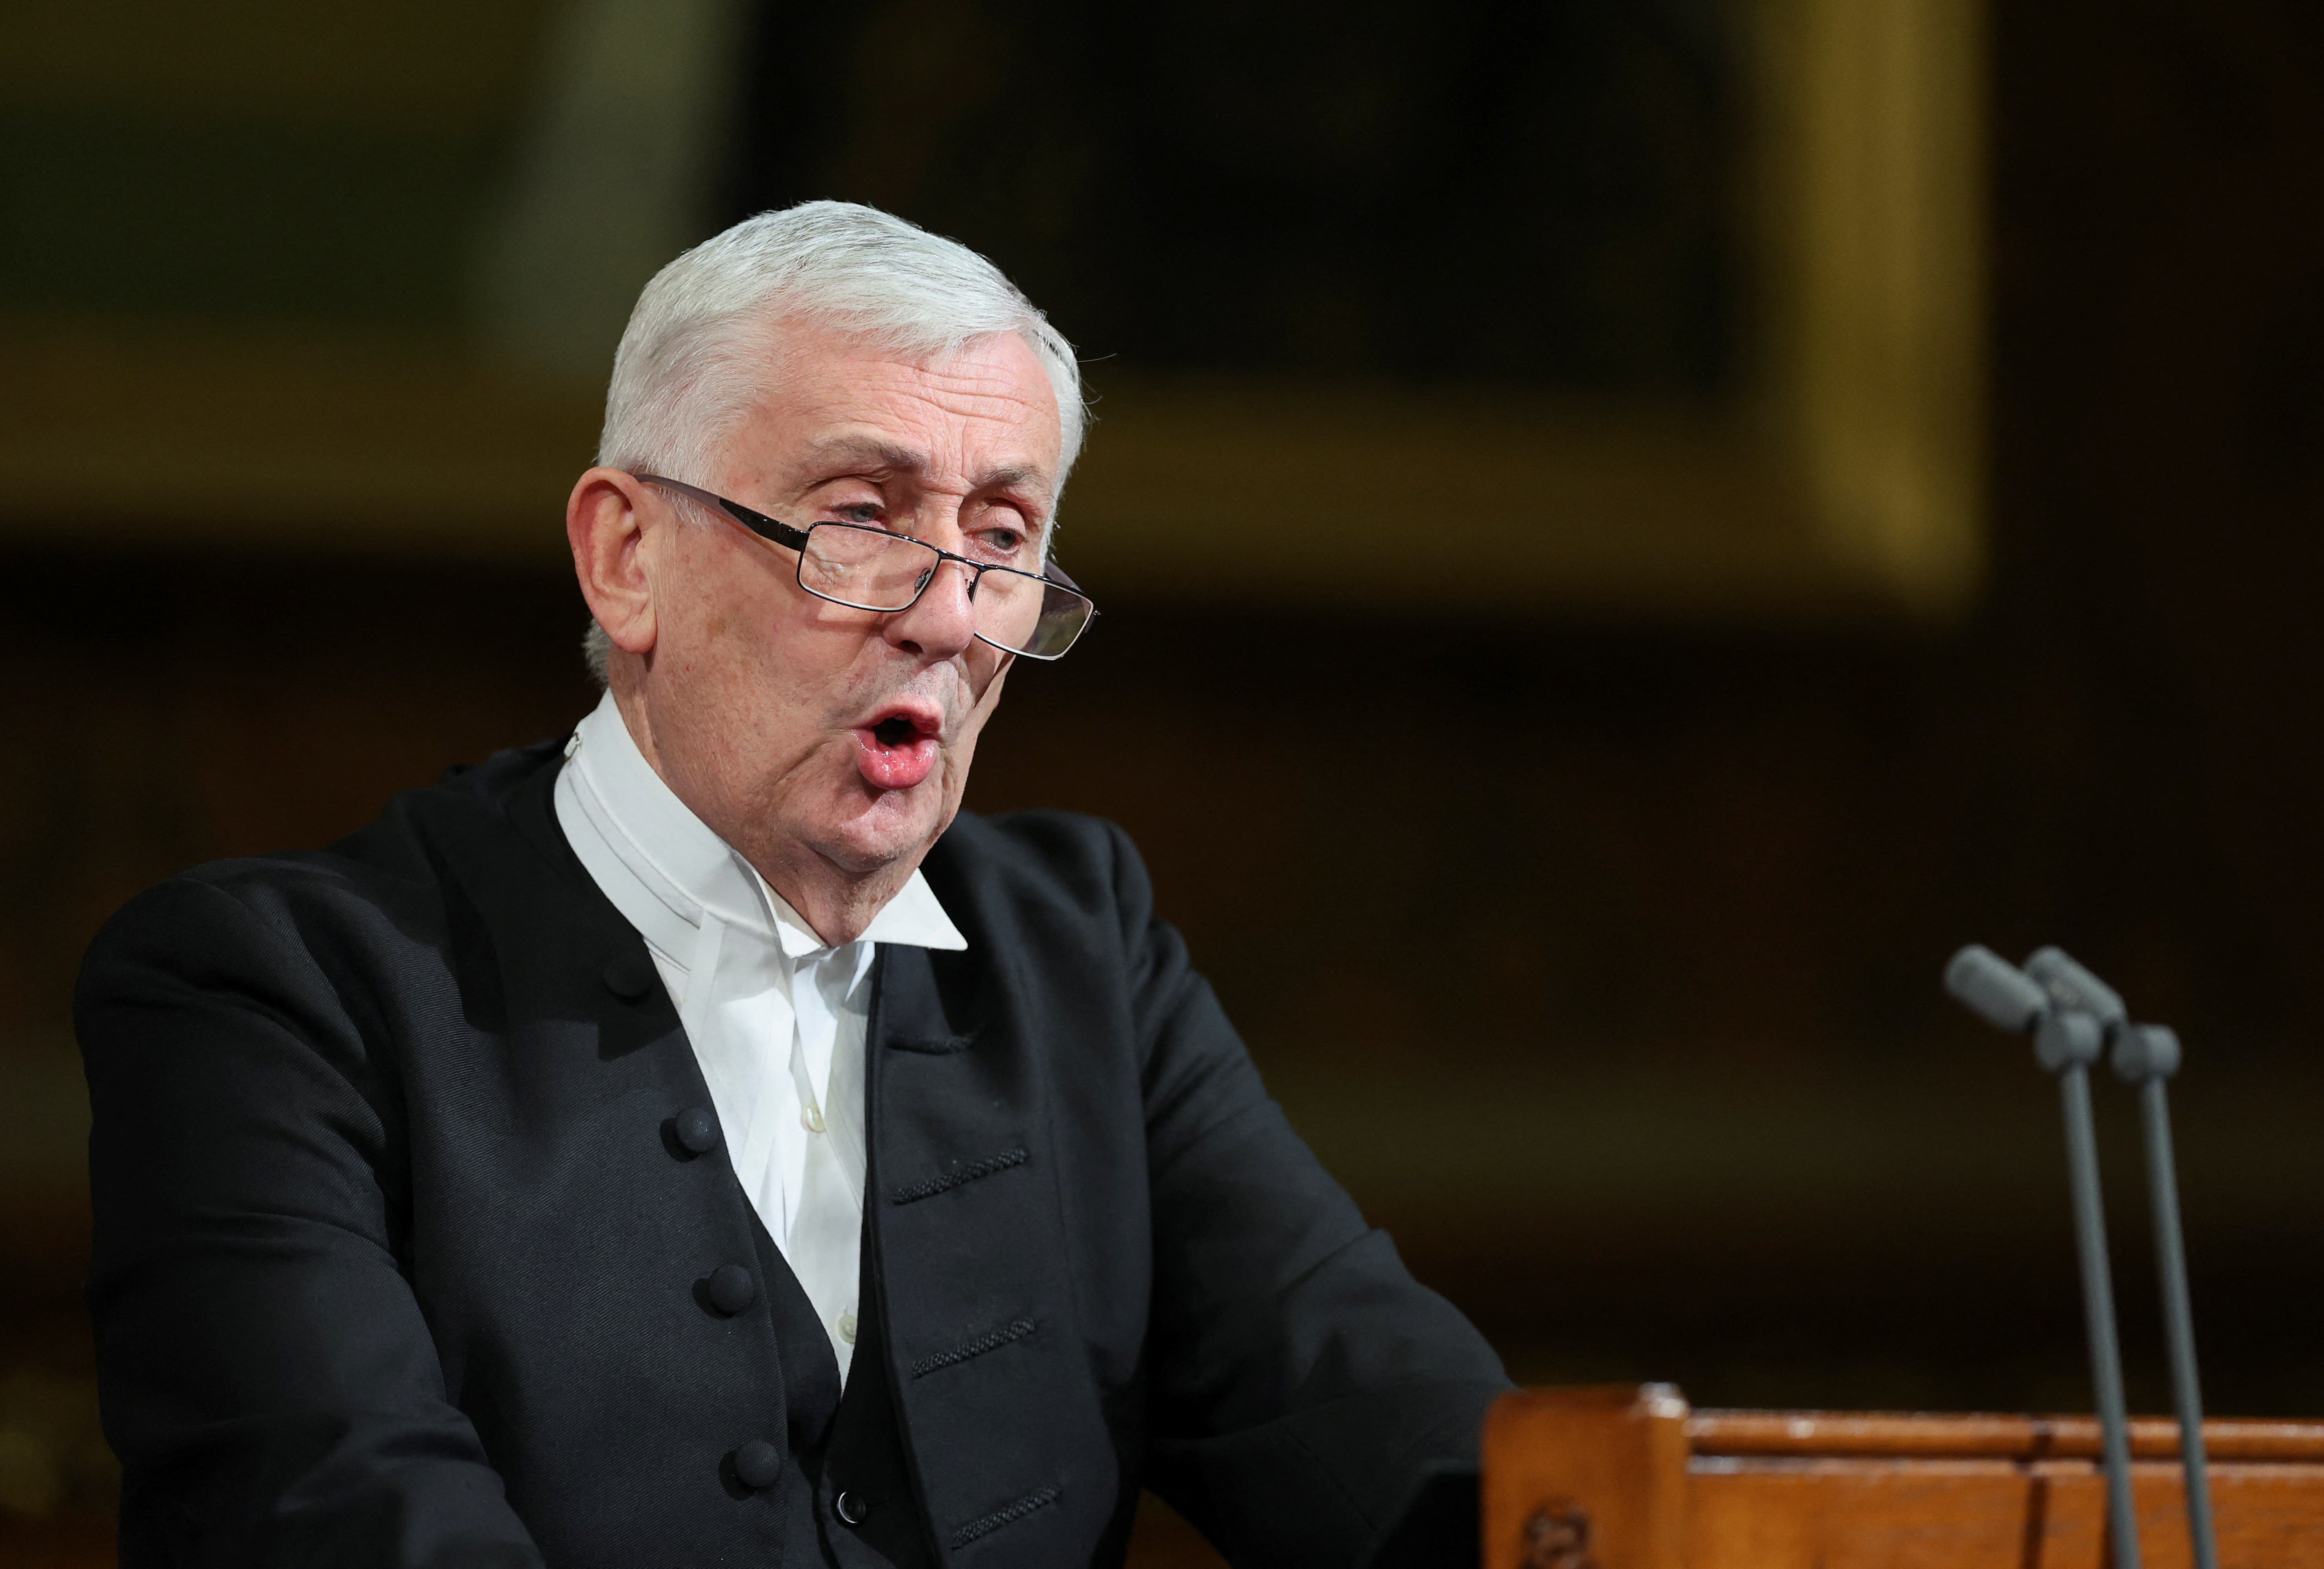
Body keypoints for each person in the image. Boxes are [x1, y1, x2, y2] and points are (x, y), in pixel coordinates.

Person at [76, 201, 1509, 1569]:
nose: (950, 617)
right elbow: (337, 1518)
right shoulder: (271, 995)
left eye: (1003, 541)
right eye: (865, 518)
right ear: (627, 557)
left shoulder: (1081, 951)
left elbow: (1379, 1426)